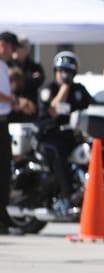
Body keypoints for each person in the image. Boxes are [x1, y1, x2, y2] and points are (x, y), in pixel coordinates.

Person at [37, 51, 93, 215]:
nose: (65, 75)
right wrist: (64, 88)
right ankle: (67, 196)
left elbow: (92, 106)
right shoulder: (50, 88)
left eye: (68, 72)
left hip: (71, 136)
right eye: (62, 71)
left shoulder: (79, 90)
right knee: (58, 154)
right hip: (50, 136)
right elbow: (53, 110)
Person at [0, 31, 28, 235]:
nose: (14, 52)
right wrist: (16, 101)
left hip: (3, 122)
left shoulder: (4, 66)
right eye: (12, 47)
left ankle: (2, 214)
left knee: (4, 171)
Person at [9, 36, 44, 105]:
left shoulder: (35, 66)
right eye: (16, 46)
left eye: (21, 46)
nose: (17, 49)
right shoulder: (9, 64)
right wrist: (29, 78)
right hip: (13, 105)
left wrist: (19, 78)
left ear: (27, 49)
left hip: (31, 106)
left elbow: (39, 81)